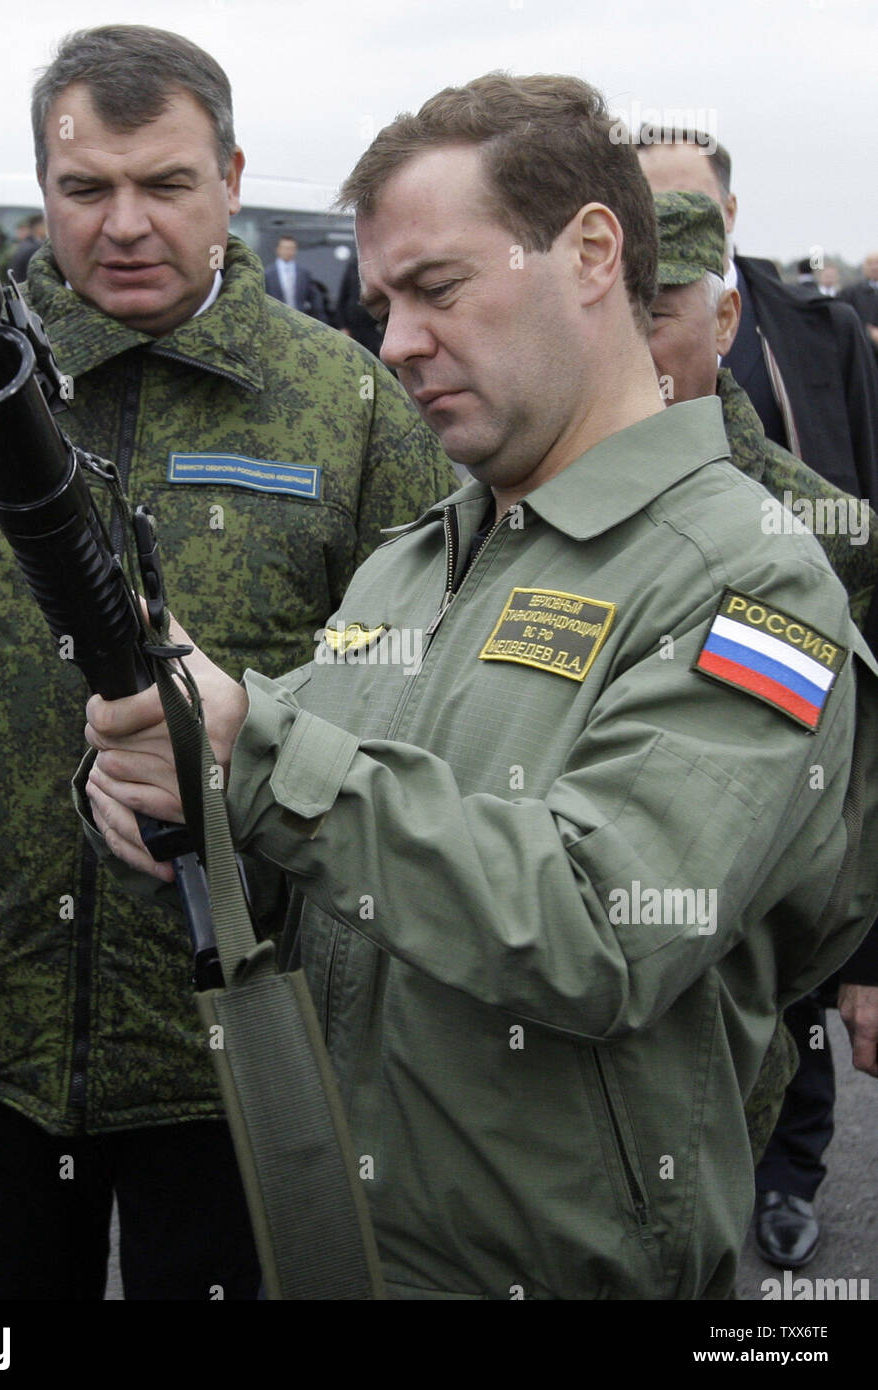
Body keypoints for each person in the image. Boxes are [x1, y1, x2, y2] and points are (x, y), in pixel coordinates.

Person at [82, 73, 878, 1300]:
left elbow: (610, 926)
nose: (394, 341)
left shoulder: (743, 576)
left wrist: (262, 751)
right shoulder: (413, 564)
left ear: (591, 253)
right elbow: (326, 874)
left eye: (437, 288)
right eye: (383, 301)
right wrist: (186, 791)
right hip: (345, 1248)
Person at [0, 24, 453, 1302]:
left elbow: (418, 707)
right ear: (42, 190)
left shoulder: (349, 407)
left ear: (230, 179)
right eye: (86, 190)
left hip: (242, 1020)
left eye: (165, 185)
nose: (124, 224)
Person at [648, 192, 878, 1271]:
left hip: (753, 976)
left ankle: (789, 1182)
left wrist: (870, 962)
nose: (629, 343)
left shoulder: (822, 534)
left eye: (660, 311)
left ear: (724, 319)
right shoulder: (506, 503)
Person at [637, 131, 878, 502]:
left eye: (692, 202)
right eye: (649, 206)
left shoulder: (826, 332)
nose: (672, 220)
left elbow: (868, 470)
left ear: (729, 211)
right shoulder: (606, 336)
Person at [263, 234, 329, 322]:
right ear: (278, 249)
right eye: (285, 248)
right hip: (275, 320)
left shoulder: (304, 273)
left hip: (299, 320)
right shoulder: (267, 274)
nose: (288, 251)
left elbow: (315, 298)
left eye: (291, 248)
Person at [840, 251, 878, 364]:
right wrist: (868, 332)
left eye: (877, 263)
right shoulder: (850, 293)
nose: (874, 267)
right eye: (870, 263)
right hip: (863, 352)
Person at [9, 212, 47, 282]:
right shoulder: (34, 249)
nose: (47, 228)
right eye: (45, 225)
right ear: (38, 227)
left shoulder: (25, 244)